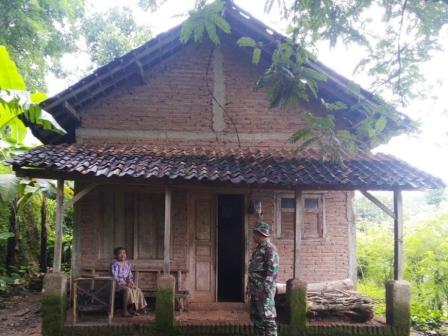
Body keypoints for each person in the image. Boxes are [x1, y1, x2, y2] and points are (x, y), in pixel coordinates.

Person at [248, 220, 279, 336]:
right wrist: (249, 288)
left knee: (268, 321)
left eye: (254, 233)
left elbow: (273, 271)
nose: (253, 236)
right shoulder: (258, 249)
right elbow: (253, 270)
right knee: (257, 320)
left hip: (264, 292)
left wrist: (265, 289)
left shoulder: (270, 249)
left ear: (260, 233)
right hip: (255, 291)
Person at [111, 247, 147, 316]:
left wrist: (130, 283)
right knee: (127, 290)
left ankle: (132, 309)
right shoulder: (114, 264)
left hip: (126, 284)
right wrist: (125, 283)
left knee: (136, 289)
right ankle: (125, 311)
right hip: (116, 285)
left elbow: (129, 276)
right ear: (116, 255)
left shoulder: (127, 264)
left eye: (124, 253)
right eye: (120, 253)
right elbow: (115, 277)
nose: (122, 255)